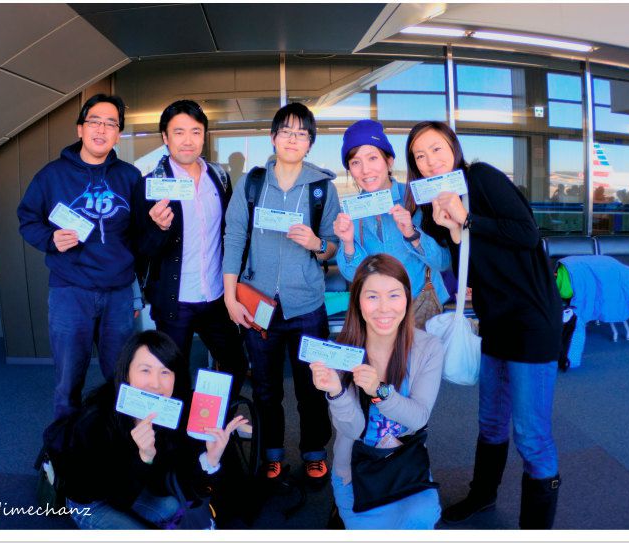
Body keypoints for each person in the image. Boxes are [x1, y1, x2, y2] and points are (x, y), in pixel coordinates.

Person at [407, 120, 562, 529]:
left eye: (436, 149)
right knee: (491, 422)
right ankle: (482, 497)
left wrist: (469, 218)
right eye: (420, 156)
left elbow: (527, 234)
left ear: (453, 149)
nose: (429, 161)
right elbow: (469, 273)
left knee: (531, 435)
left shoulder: (481, 177)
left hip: (531, 323)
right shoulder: (436, 205)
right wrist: (455, 231)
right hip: (494, 323)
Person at [17, 94, 161, 420]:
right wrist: (50, 239)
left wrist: (158, 226)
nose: (102, 129)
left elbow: (140, 234)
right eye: (94, 121)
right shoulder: (51, 175)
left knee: (121, 378)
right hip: (70, 291)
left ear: (118, 135)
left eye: (111, 124)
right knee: (69, 382)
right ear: (80, 128)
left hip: (119, 294)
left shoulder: (129, 177)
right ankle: (65, 450)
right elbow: (27, 220)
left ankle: (119, 442)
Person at [222, 102, 340, 484]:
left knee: (311, 386)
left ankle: (313, 451)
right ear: (273, 138)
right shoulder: (253, 183)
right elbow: (235, 235)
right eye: (286, 132)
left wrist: (316, 242)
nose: (293, 139)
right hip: (259, 306)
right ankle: (272, 452)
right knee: (267, 387)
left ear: (310, 143)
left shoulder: (322, 188)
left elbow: (333, 245)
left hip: (307, 306)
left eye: (301, 133)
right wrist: (230, 296)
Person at [62, 330, 248, 529]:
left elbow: (186, 486)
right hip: (92, 499)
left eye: (165, 372)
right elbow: (116, 499)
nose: (155, 383)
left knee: (172, 508)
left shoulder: (172, 412)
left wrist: (210, 459)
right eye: (145, 370)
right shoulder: (96, 419)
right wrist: (144, 457)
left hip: (135, 485)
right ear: (126, 373)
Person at [309, 254, 444, 529]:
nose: (384, 308)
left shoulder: (429, 347)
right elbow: (354, 429)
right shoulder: (343, 353)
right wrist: (336, 392)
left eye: (394, 295)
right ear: (357, 301)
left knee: (421, 521)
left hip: (405, 466)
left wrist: (380, 392)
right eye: (372, 297)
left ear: (407, 298)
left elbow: (418, 418)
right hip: (357, 471)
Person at [140, 100, 248, 397]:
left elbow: (229, 233)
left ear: (204, 135)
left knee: (235, 364)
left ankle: (213, 427)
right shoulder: (151, 185)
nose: (188, 140)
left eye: (196, 132)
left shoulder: (220, 177)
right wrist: (158, 229)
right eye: (178, 132)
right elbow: (142, 248)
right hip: (175, 301)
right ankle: (178, 439)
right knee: (173, 376)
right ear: (165, 137)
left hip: (215, 296)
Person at [334, 119, 450, 328]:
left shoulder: (417, 198)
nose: (365, 170)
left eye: (372, 158)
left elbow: (443, 262)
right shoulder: (353, 211)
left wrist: (412, 234)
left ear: (388, 161)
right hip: (380, 316)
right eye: (355, 163)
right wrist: (348, 242)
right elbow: (353, 274)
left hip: (421, 307)